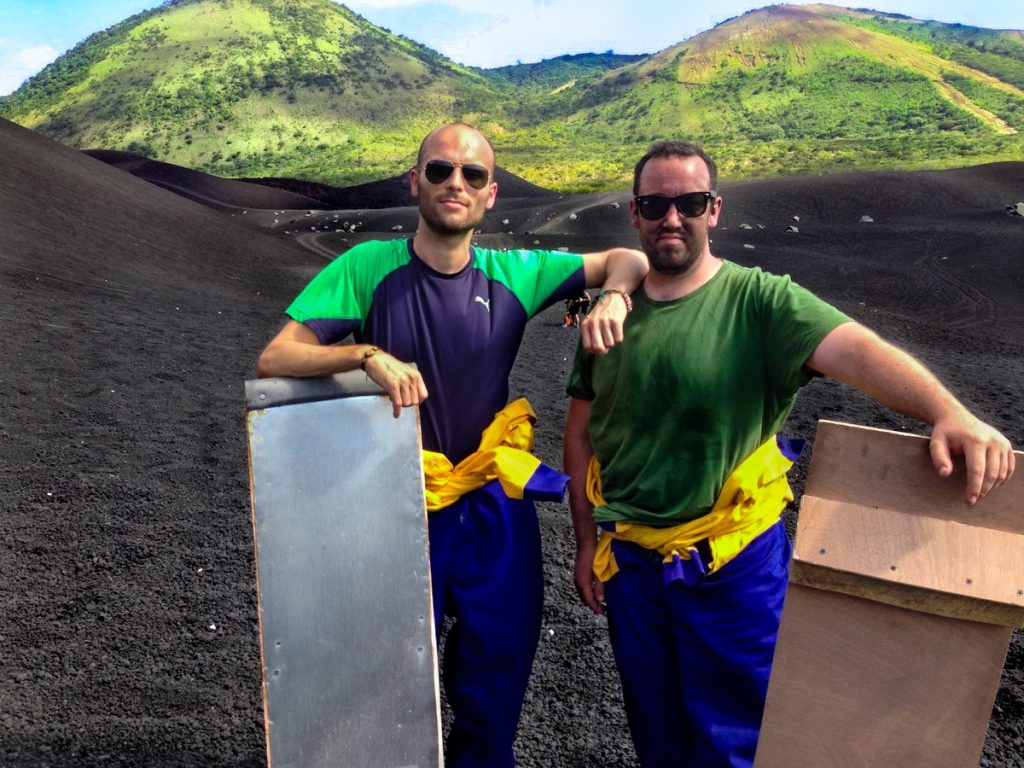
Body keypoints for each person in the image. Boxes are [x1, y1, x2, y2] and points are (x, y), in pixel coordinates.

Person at [562, 140, 1015, 768]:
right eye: (655, 204)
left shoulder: (762, 302)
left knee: (742, 738)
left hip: (733, 565)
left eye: (689, 202)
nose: (672, 218)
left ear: (713, 209)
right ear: (635, 214)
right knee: (658, 732)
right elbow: (580, 434)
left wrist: (948, 411)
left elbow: (858, 351)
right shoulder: (607, 318)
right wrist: (587, 542)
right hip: (633, 563)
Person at [256, 122, 647, 768]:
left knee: (499, 665)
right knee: (382, 673)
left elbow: (625, 259)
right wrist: (364, 356)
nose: (454, 183)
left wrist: (614, 296)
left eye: (471, 175)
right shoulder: (366, 268)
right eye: (439, 170)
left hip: (495, 506)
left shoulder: (513, 273)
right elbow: (278, 356)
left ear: (491, 194)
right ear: (416, 183)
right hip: (396, 504)